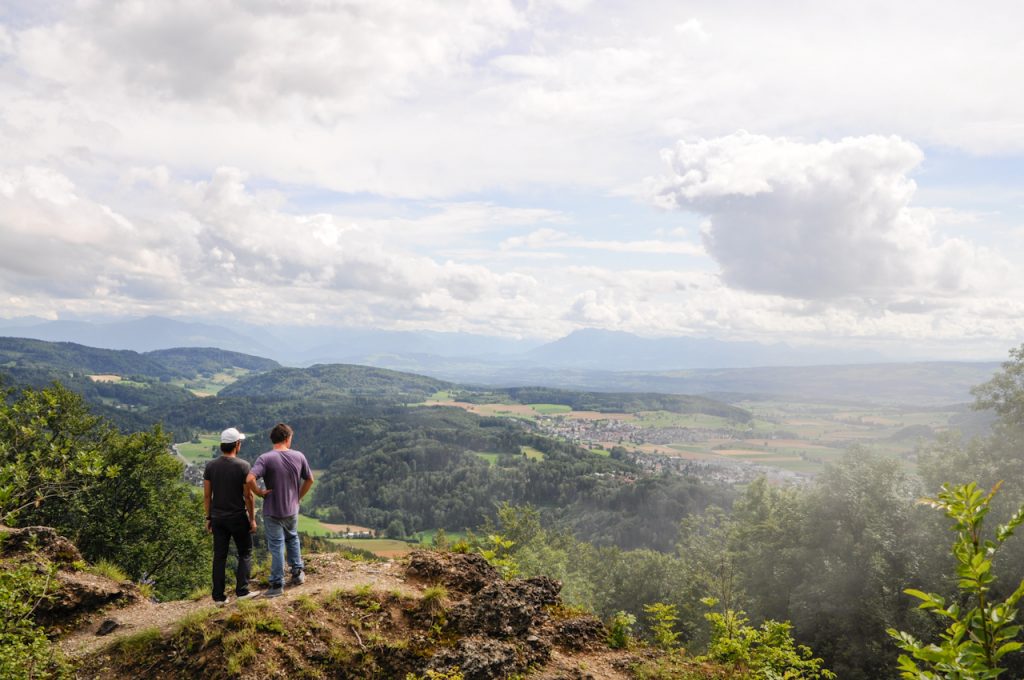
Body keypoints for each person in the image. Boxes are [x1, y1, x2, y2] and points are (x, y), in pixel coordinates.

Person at [246, 423, 314, 598]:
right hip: (291, 509)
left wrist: (259, 492)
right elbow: (309, 480)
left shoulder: (265, 458)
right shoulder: (299, 456)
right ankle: (297, 573)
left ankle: (277, 584)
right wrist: (297, 497)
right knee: (292, 538)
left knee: (276, 546)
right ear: (287, 438)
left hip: (272, 509)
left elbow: (250, 478)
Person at [203, 427, 261, 605]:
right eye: (240, 442)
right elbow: (248, 496)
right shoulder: (243, 466)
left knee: (219, 556)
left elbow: (207, 495)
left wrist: (209, 518)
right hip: (237, 517)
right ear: (236, 445)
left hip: (218, 518)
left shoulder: (211, 466)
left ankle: (219, 597)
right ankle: (242, 591)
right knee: (245, 552)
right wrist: (251, 519)